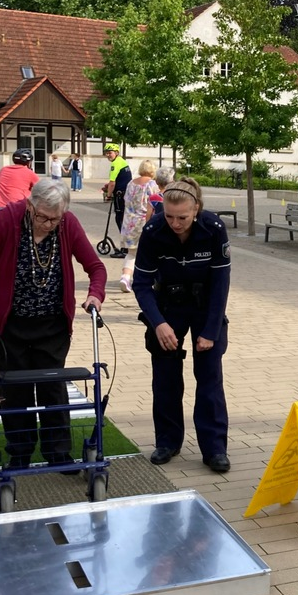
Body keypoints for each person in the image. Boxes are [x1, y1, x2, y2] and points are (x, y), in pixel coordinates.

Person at [0, 181, 106, 471]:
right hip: (9, 324)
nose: (48, 224)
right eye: (42, 217)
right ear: (30, 206)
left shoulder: (68, 224)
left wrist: (95, 295)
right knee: (14, 390)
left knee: (52, 387)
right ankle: (20, 453)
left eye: (55, 219)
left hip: (52, 325)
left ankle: (58, 453)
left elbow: (96, 267)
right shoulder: (8, 219)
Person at [133, 178, 232, 472]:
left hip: (205, 307)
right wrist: (158, 324)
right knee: (165, 378)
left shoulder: (213, 228)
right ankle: (167, 441)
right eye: (169, 216)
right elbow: (141, 284)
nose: (175, 223)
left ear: (196, 209)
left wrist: (211, 331)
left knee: (209, 378)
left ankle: (215, 449)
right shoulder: (153, 231)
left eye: (183, 217)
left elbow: (221, 283)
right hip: (168, 307)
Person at [118, 160, 162, 293]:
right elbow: (156, 202)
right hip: (144, 221)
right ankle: (150, 278)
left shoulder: (131, 183)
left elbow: (126, 200)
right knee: (150, 252)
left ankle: (125, 277)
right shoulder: (152, 184)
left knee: (131, 253)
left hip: (129, 222)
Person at [103, 144, 132, 258]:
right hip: (126, 194)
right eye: (106, 153)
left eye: (110, 152)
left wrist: (109, 195)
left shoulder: (115, 164)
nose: (108, 155)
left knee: (120, 220)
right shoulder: (122, 161)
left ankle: (125, 250)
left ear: (116, 152)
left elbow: (112, 183)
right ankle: (127, 247)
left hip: (120, 196)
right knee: (124, 220)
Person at [0, 148, 38, 215]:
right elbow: (41, 188)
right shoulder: (30, 173)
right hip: (16, 205)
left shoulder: (3, 170)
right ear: (29, 162)